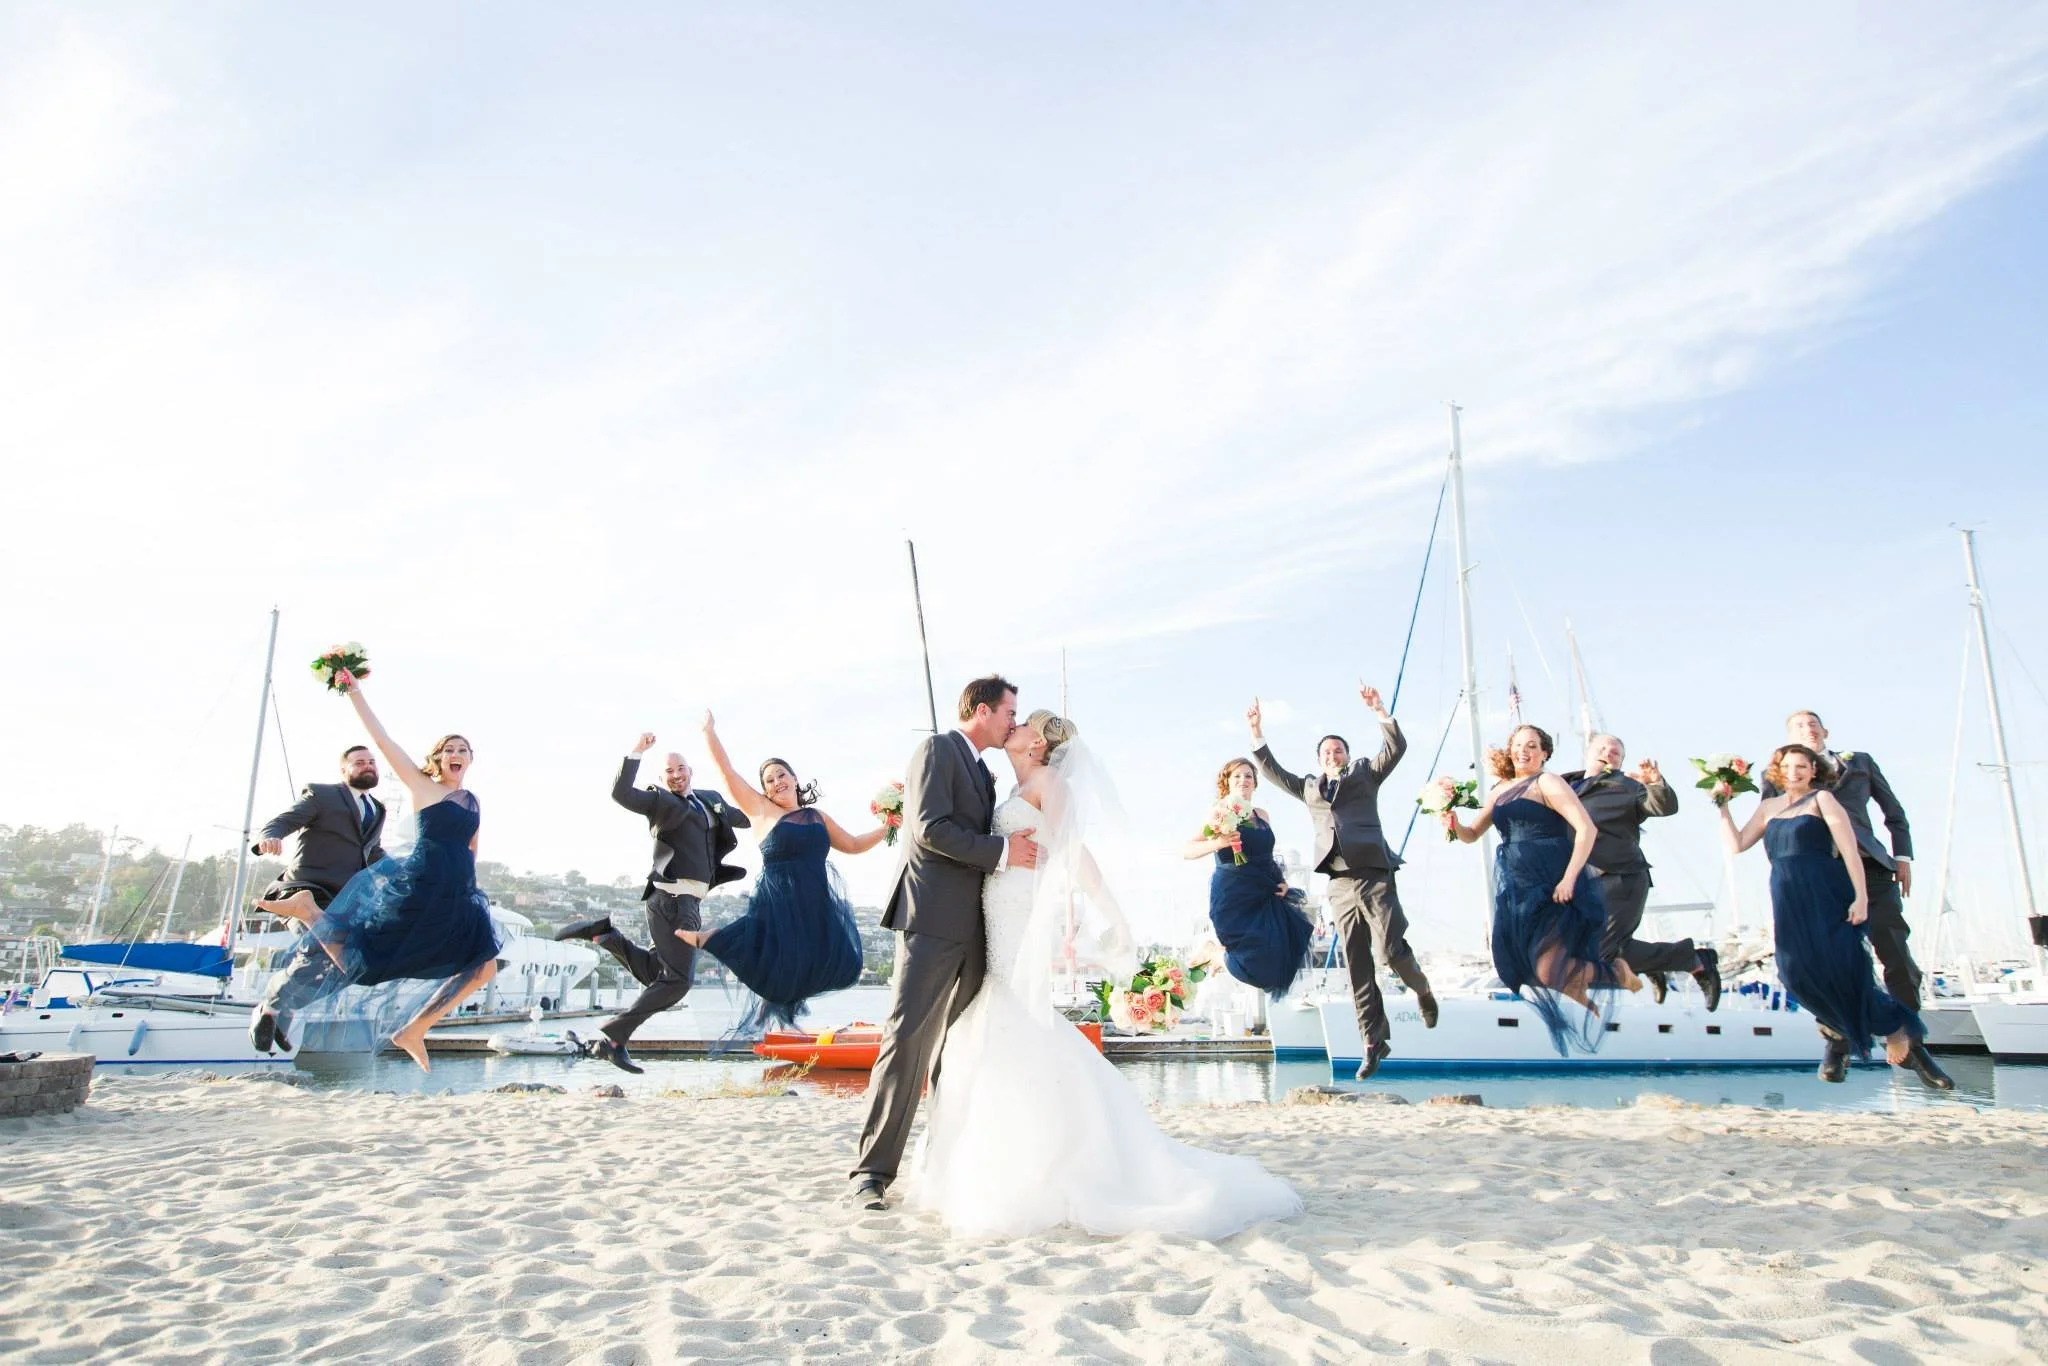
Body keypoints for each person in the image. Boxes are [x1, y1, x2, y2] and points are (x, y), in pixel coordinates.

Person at [911, 710, 1302, 1239]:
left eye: (1023, 724)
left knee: (1011, 1013)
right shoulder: (1013, 782)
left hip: (1017, 909)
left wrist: (1110, 911)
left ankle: (1044, 1161)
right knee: (998, 1015)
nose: (1015, 728)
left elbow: (1074, 851)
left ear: (1037, 744)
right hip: (997, 905)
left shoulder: (1047, 782)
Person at [850, 675, 1038, 1211]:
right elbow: (929, 827)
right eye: (1008, 712)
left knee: (960, 1049)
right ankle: (871, 1174)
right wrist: (1003, 851)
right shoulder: (936, 749)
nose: (1012, 721)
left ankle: (943, 1164)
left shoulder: (983, 771)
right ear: (981, 710)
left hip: (979, 929)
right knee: (907, 1039)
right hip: (930, 917)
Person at [255, 678, 500, 1072]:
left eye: (463, 750)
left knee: (484, 968)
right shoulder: (423, 787)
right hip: (424, 881)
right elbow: (383, 740)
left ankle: (414, 1030)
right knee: (366, 966)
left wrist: (471, 889)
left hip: (459, 890)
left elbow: (472, 846)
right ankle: (311, 913)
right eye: (449, 750)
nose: (456, 754)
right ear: (437, 758)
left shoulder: (472, 800)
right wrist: (354, 691)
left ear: (471, 758)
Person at [1721, 744, 1952, 1089]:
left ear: (1814, 770)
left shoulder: (1823, 800)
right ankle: (1874, 1027)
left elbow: (1849, 852)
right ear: (1778, 771)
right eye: (1788, 766)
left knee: (1846, 967)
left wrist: (1860, 897)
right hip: (1786, 895)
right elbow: (1737, 845)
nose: (1795, 771)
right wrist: (1722, 806)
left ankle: (1895, 1030)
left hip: (1826, 888)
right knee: (1793, 973)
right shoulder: (1768, 806)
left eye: (1802, 766)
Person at [1251, 684, 1437, 1080]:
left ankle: (1421, 988)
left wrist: (1380, 712)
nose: (1333, 756)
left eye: (1338, 750)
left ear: (1348, 756)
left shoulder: (1365, 775)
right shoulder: (1308, 788)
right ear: (1319, 760)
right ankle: (1373, 1041)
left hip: (1375, 876)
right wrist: (1257, 733)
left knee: (1388, 949)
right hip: (1339, 884)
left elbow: (1396, 749)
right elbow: (1273, 772)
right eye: (1326, 752)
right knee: (1356, 963)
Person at [671, 711, 888, 1034]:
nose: (777, 782)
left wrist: (887, 827)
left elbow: (854, 844)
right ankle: (710, 938)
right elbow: (726, 772)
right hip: (778, 904)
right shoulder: (762, 810)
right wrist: (709, 732)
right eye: (769, 780)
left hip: (816, 906)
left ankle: (773, 1008)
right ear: (765, 790)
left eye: (782, 775)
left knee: (847, 967)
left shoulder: (817, 816)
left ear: (795, 778)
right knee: (770, 964)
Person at [555, 733, 750, 1074]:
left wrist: (782, 804)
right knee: (678, 982)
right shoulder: (660, 801)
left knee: (659, 976)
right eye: (669, 771)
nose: (676, 775)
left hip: (686, 902)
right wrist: (636, 752)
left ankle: (605, 935)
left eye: (680, 768)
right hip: (672, 899)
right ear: (662, 778)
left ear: (690, 770)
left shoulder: (710, 800)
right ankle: (612, 1038)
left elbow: (746, 817)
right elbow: (621, 793)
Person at [1442, 725, 1636, 1056]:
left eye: (1532, 745)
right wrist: (1452, 819)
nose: (1524, 751)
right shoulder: (1500, 789)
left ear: (1544, 752)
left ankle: (1617, 972)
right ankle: (1577, 987)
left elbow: (1586, 829)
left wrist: (1570, 878)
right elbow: (1473, 834)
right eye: (1518, 745)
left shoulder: (1547, 782)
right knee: (1515, 965)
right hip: (1517, 885)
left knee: (1547, 968)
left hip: (1551, 879)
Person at [1760, 712, 1921, 1015]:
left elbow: (1894, 811)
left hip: (1870, 866)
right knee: (1826, 957)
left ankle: (1910, 1029)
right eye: (1798, 726)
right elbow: (1773, 829)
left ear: (1825, 731)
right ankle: (1836, 1040)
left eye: (1812, 723)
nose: (1807, 729)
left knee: (1894, 948)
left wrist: (1902, 857)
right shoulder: (1777, 777)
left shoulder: (1860, 762)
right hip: (1819, 875)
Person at [246, 744, 388, 1053]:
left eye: (372, 762)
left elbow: (371, 851)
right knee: (316, 952)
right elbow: (285, 820)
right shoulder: (323, 795)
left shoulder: (376, 809)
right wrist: (267, 838)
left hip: (344, 901)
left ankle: (287, 1007)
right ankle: (269, 1007)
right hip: (303, 892)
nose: (368, 766)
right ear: (344, 770)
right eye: (359, 762)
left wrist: (402, 872)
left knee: (351, 966)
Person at [1563, 733, 1722, 1009]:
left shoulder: (1627, 785)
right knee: (1576, 952)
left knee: (1599, 954)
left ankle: (1695, 960)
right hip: (1580, 882)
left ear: (1621, 761)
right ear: (1587, 752)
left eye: (1615, 752)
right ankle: (1651, 965)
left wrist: (1655, 783)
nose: (1607, 753)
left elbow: (1662, 806)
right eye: (1601, 748)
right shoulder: (1565, 784)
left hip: (1619, 877)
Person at [1183, 758, 1313, 997]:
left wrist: (1281, 881)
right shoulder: (1219, 812)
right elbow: (1188, 850)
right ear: (1228, 783)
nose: (1243, 780)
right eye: (1237, 776)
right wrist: (1218, 842)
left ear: (1255, 784)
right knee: (1250, 963)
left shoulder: (1262, 815)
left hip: (1265, 891)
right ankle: (1214, 953)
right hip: (1233, 894)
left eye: (1248, 776)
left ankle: (1218, 957)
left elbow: (1267, 855)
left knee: (1275, 960)